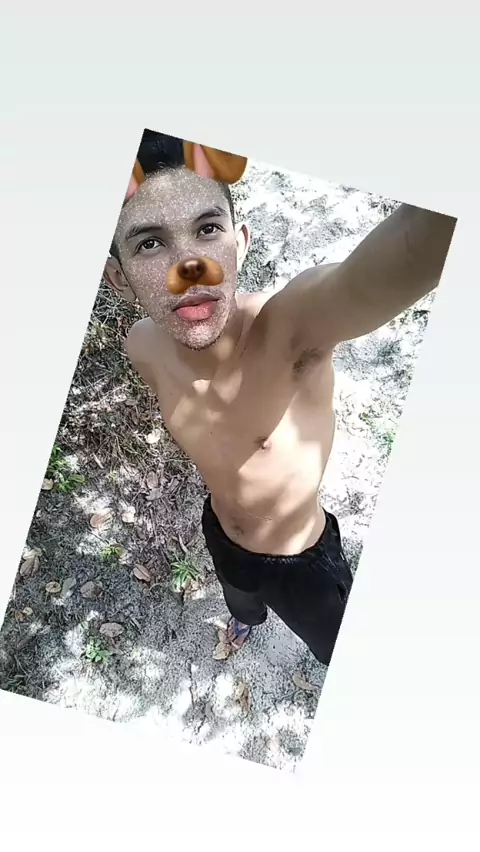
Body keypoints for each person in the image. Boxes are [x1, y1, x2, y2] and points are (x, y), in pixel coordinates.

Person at [104, 130, 455, 666]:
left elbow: (414, 243)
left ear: (241, 242)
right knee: (242, 604)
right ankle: (246, 619)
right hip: (220, 533)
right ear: (118, 277)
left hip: (303, 565)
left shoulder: (291, 333)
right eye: (150, 243)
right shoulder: (142, 347)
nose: (189, 267)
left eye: (207, 229)